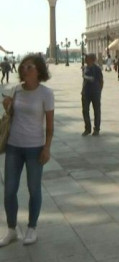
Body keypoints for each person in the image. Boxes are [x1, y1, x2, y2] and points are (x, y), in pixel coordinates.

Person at [1, 54, 54, 246]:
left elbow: (49, 125)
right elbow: (11, 115)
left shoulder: (46, 93)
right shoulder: (16, 90)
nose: (24, 70)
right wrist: (7, 105)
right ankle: (11, 229)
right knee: (9, 191)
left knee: (34, 189)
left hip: (34, 147)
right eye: (23, 67)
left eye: (29, 67)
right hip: (14, 146)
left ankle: (32, 228)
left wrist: (47, 148)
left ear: (39, 71)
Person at [81, 54, 104, 136]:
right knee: (85, 111)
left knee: (97, 111)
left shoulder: (97, 69)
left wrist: (99, 91)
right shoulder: (85, 68)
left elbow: (100, 81)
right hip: (85, 93)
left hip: (95, 93)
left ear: (91, 59)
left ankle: (96, 129)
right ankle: (87, 129)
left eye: (86, 58)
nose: (85, 59)